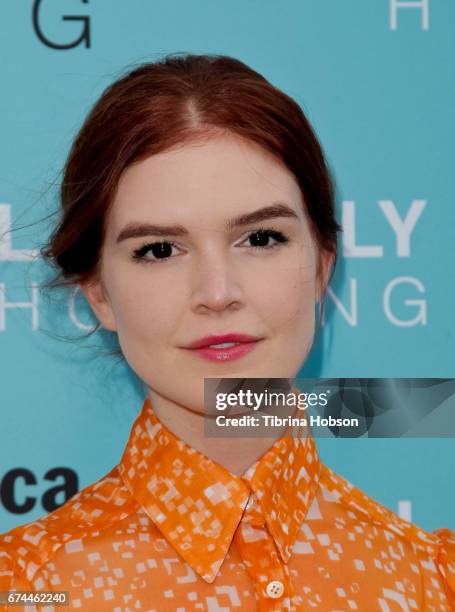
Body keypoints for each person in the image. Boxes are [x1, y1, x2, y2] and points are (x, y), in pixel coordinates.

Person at [0, 53, 453, 611]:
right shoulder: (24, 589)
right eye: (160, 250)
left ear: (322, 264)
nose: (217, 293)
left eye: (260, 239)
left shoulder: (430, 582)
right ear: (97, 293)